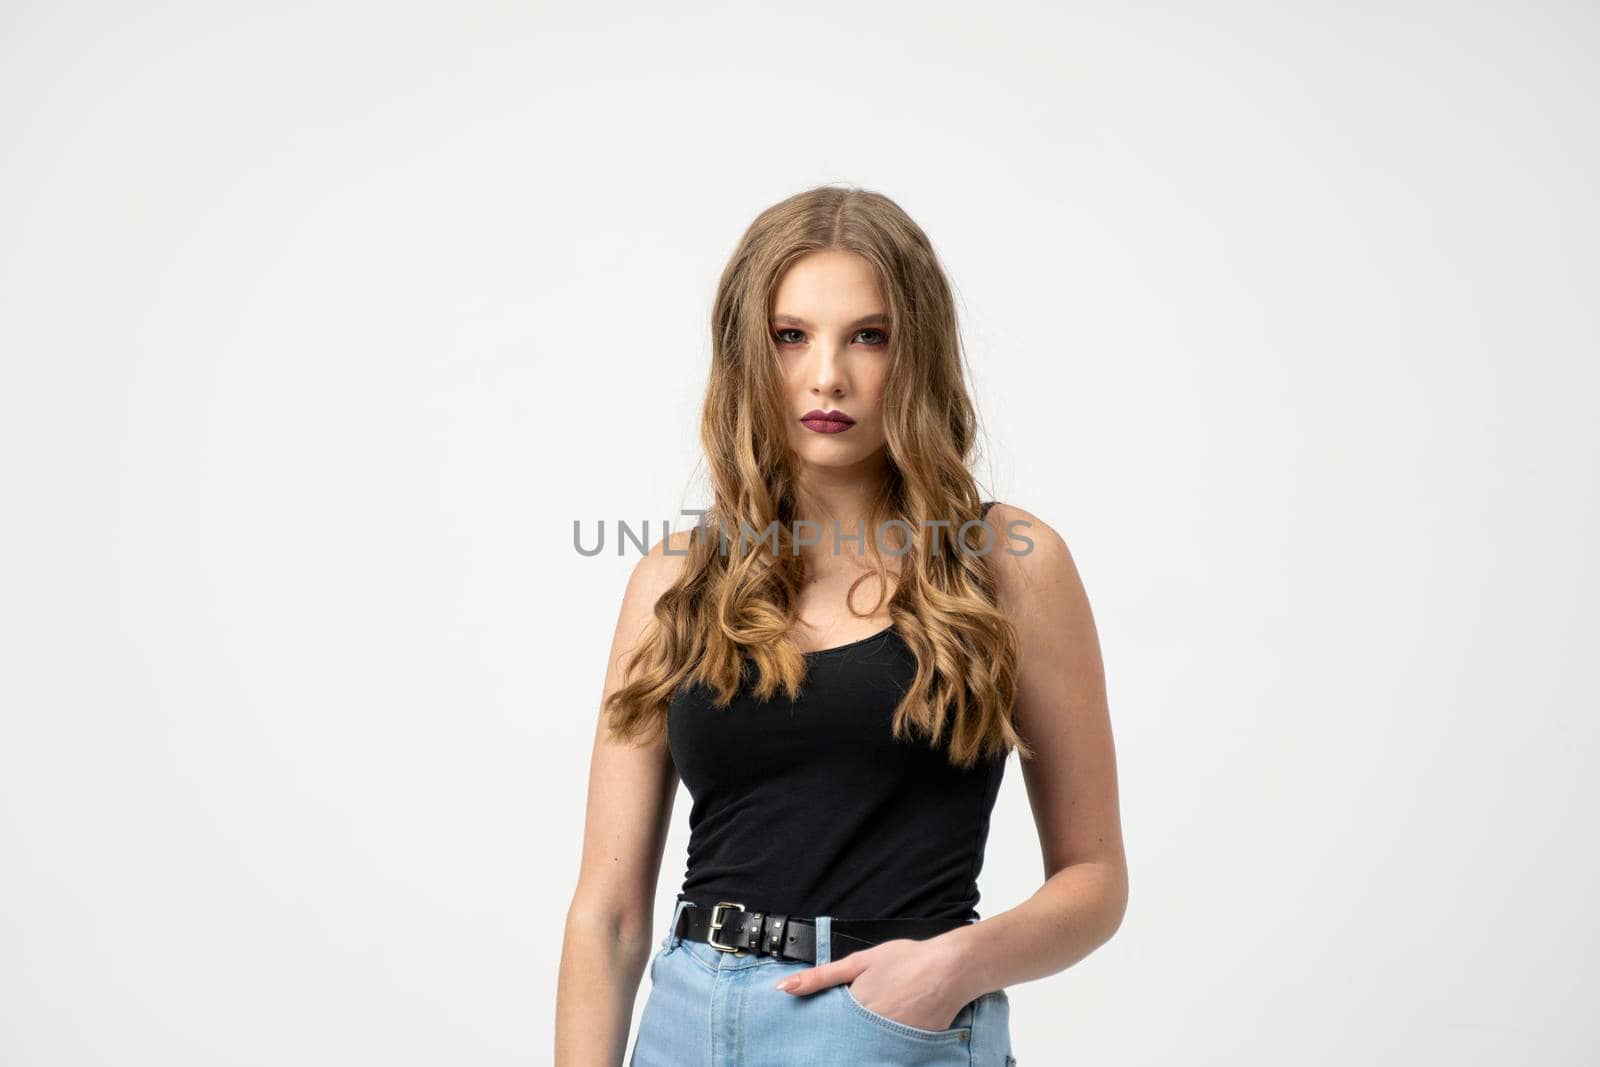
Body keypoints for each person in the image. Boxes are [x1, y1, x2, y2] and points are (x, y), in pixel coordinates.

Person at [555, 185, 1127, 1066]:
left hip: (891, 1027)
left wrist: (948, 967)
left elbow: (1094, 881)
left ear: (918, 352)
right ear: (748, 353)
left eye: (870, 334)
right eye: (792, 336)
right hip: (687, 1025)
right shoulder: (676, 575)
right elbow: (610, 909)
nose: (828, 375)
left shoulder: (1007, 563)